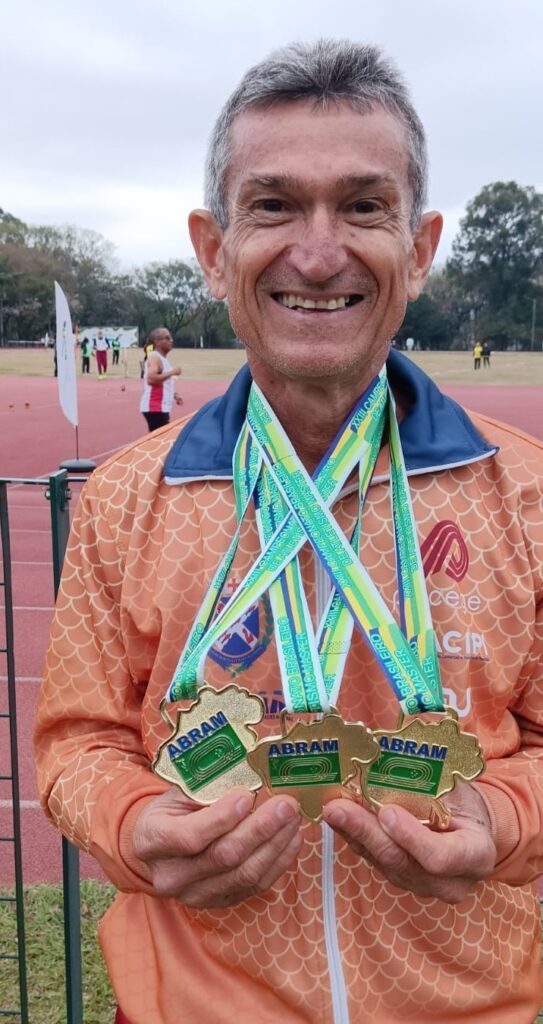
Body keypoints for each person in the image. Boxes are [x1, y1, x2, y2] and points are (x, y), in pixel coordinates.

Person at [34, 40, 543, 1024]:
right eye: (273, 205)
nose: (317, 253)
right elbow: (76, 743)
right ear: (213, 248)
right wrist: (133, 824)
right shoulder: (127, 496)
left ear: (420, 248)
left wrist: (500, 814)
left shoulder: (523, 492)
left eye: (363, 206)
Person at [139, 326, 183, 431]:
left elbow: (163, 383)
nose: (171, 340)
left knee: (159, 437)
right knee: (160, 437)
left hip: (160, 408)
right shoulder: (155, 357)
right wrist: (173, 372)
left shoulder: (163, 359)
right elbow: (151, 379)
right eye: (167, 338)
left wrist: (174, 394)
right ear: (157, 342)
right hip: (155, 407)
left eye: (171, 338)